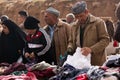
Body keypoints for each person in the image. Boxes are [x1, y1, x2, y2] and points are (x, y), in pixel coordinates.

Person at [67, 1, 110, 66]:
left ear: (86, 12)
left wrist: (91, 49)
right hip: (80, 62)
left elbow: (105, 40)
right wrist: (70, 48)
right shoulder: (74, 26)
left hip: (96, 62)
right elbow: (71, 41)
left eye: (81, 16)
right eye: (77, 17)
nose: (79, 19)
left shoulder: (98, 23)